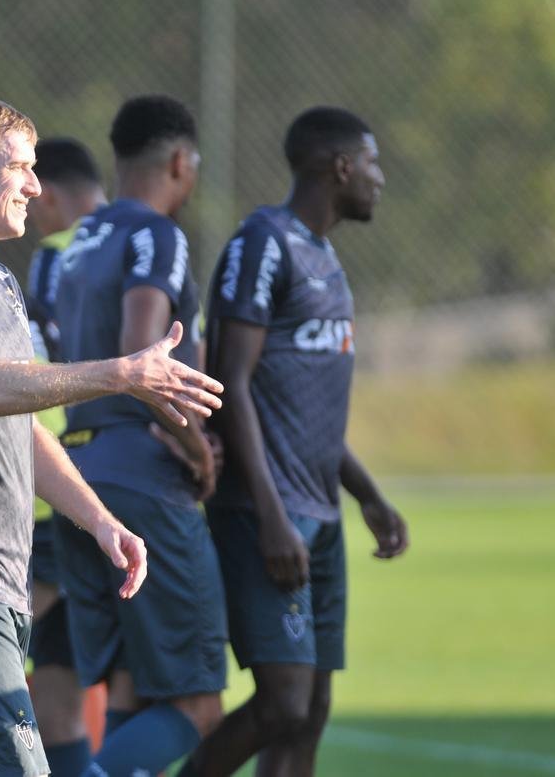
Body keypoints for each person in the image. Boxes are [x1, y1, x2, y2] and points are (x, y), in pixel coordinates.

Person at [0, 94, 223, 777]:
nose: (34, 184)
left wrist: (98, 519)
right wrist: (122, 373)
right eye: (19, 167)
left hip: (1, 573)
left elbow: (18, 427)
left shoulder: (1, 285)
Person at [178, 107, 409, 777]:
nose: (379, 179)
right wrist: (273, 514)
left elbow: (307, 414)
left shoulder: (328, 259)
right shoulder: (263, 244)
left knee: (309, 713)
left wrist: (367, 494)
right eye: (371, 163)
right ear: (338, 167)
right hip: (267, 516)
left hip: (324, 516)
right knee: (282, 704)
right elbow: (232, 384)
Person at [53, 95, 225, 777]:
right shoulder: (159, 233)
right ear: (181, 161)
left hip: (81, 477)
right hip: (144, 478)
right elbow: (141, 355)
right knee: (197, 707)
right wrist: (195, 448)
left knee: (130, 684)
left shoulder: (76, 245)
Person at [22, 137, 107, 777]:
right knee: (67, 703)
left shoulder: (55, 257)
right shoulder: (155, 242)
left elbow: (43, 365)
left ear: (47, 195)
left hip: (52, 489)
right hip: (133, 481)